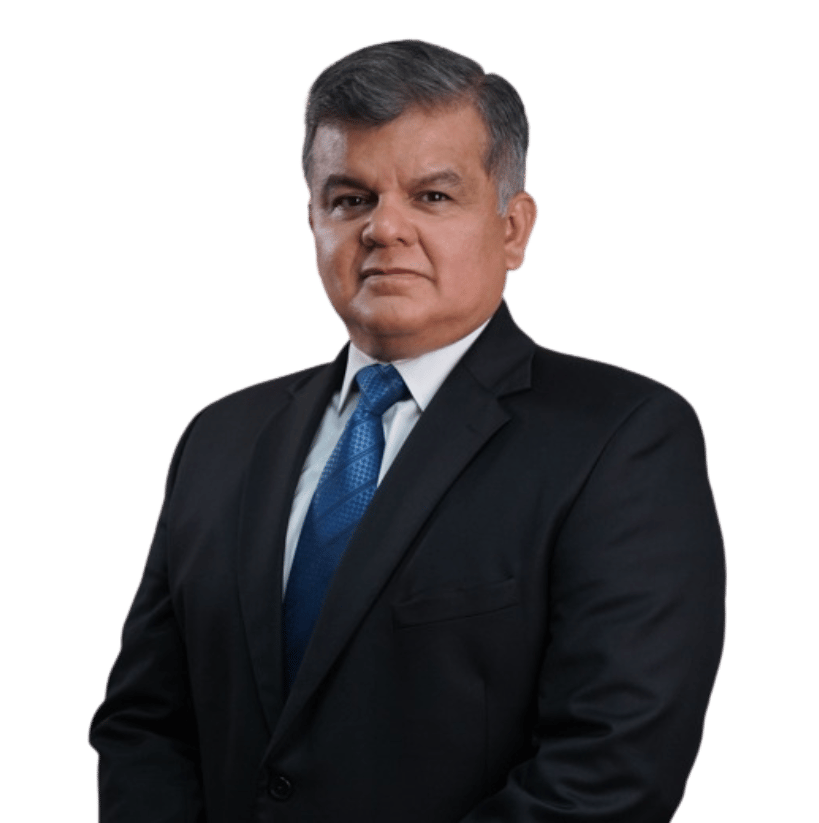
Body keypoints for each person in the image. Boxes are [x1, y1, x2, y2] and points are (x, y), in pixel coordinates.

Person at [88, 38, 726, 823]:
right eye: (349, 199)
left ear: (513, 228)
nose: (383, 229)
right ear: (312, 221)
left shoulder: (621, 438)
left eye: (432, 196)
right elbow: (143, 723)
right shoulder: (219, 437)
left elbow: (611, 765)